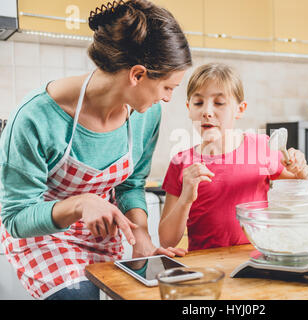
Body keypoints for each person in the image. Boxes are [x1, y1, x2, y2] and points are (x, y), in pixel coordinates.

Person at [0, 0, 191, 300]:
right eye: (168, 87)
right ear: (137, 75)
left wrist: (141, 233)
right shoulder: (35, 118)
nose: (168, 98)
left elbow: (131, 184)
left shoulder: (145, 114)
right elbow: (16, 217)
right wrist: (81, 204)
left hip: (102, 238)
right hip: (43, 240)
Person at [159, 62, 308, 252]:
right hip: (207, 266)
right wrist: (185, 199)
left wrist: (303, 170)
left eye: (219, 103)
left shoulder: (262, 147)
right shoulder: (182, 162)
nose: (207, 112)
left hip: (257, 259)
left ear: (240, 109)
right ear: (189, 108)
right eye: (198, 103)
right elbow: (166, 241)